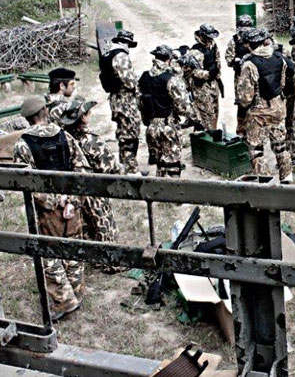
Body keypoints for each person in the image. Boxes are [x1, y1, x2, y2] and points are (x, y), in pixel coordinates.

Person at [14, 95, 90, 321]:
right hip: (71, 205)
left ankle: (64, 301)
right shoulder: (65, 135)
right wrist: (72, 201)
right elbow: (82, 170)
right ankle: (77, 292)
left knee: (50, 255)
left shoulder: (23, 144)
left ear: (27, 118)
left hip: (47, 211)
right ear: (46, 111)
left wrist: (53, 202)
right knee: (74, 247)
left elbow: (28, 183)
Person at [60, 97, 121, 253]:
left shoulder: (63, 139)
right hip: (94, 192)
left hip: (71, 193)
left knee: (84, 231)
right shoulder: (92, 141)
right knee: (104, 231)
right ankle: (107, 261)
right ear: (83, 118)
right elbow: (111, 168)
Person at [236, 28, 292, 182]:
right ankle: (287, 180)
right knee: (280, 146)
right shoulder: (279, 57)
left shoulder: (249, 64)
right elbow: (283, 83)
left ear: (249, 44)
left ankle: (265, 183)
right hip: (278, 107)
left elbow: (245, 98)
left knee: (256, 150)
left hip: (258, 113)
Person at [139, 45, 201, 177]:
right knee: (173, 165)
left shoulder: (144, 77)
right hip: (168, 127)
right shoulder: (170, 79)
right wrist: (195, 119)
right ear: (168, 60)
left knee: (160, 164)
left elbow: (140, 103)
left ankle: (160, 187)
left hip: (151, 127)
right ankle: (173, 188)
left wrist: (146, 121)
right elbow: (183, 105)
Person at [99, 30, 141, 174]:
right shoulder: (120, 55)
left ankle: (125, 166)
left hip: (115, 98)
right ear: (125, 43)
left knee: (123, 132)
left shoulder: (107, 54)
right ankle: (132, 170)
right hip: (125, 100)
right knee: (130, 135)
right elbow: (130, 82)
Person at [225, 14, 254, 136]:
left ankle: (253, 131)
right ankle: (241, 131)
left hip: (254, 76)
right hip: (240, 77)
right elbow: (228, 59)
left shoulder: (254, 38)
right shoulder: (234, 41)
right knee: (242, 104)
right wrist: (237, 61)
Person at [191, 24, 222, 130]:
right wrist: (207, 74)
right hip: (201, 87)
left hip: (213, 83)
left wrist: (217, 75)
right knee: (204, 115)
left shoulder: (213, 46)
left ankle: (213, 133)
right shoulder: (196, 51)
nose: (210, 39)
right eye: (208, 37)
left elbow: (217, 60)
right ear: (202, 36)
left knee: (214, 112)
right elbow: (192, 71)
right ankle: (204, 135)